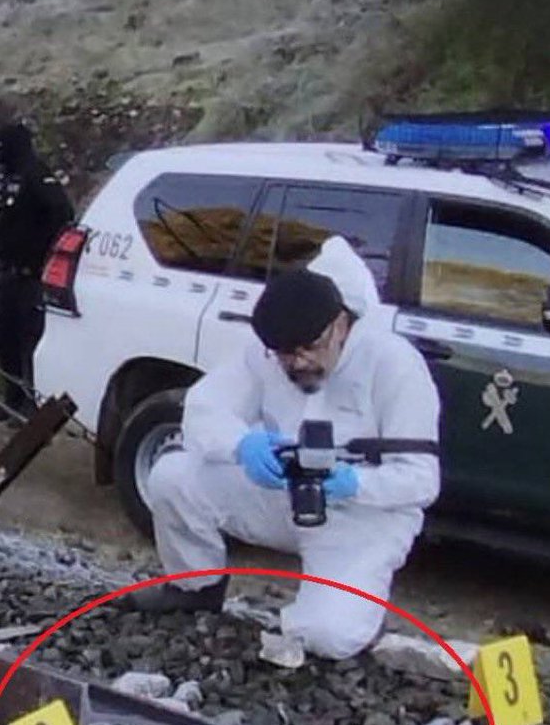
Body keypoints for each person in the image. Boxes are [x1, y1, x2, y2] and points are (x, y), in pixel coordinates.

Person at [127, 237, 441, 661]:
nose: (297, 364)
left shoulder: (394, 364)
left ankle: (356, 605)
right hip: (282, 496)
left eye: (308, 350)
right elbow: (203, 409)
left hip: (362, 518)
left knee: (326, 637)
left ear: (341, 325)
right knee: (170, 476)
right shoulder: (268, 354)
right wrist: (242, 445)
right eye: (285, 355)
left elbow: (422, 481)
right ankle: (195, 587)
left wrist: (352, 483)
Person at [0, 122, 74, 421]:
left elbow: (62, 215)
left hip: (32, 273)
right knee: (3, 337)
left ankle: (32, 405)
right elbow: (4, 217)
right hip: (8, 269)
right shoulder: (5, 175)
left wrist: (40, 251)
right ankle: (12, 399)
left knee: (29, 340)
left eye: (2, 149)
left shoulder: (37, 175)